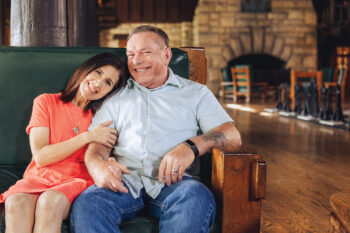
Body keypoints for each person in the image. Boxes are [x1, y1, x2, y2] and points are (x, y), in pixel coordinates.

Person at [70, 25, 242, 233]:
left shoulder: (195, 93)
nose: (136, 61)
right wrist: (99, 168)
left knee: (196, 196)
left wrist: (191, 147)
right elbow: (97, 147)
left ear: (166, 55)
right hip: (124, 182)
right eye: (131, 54)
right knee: (88, 204)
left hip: (176, 183)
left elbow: (232, 136)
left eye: (146, 52)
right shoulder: (115, 95)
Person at [0, 53, 127, 233]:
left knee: (49, 202)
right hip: (39, 176)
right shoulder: (46, 102)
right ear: (85, 70)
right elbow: (41, 157)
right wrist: (87, 136)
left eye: (108, 83)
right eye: (98, 72)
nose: (98, 83)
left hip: (77, 180)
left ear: (110, 91)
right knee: (16, 202)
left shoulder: (103, 118)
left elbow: (104, 156)